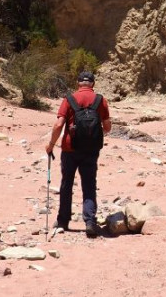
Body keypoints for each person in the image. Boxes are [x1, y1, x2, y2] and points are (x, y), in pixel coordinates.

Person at [45, 70, 111, 237]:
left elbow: (59, 124)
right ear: (93, 84)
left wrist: (51, 144)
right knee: (89, 184)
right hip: (91, 150)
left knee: (67, 183)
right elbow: (108, 127)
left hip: (69, 148)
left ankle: (63, 221)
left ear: (78, 83)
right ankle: (90, 221)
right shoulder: (100, 100)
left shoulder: (69, 99)